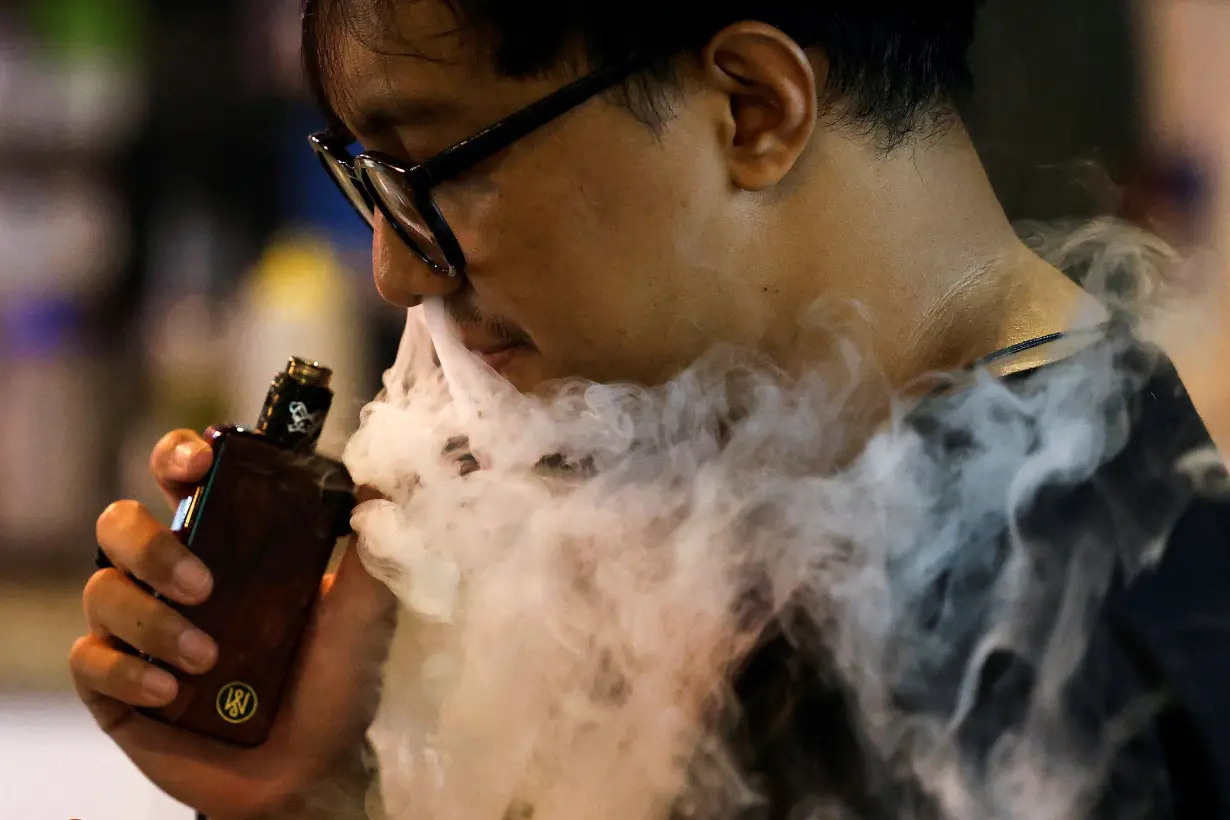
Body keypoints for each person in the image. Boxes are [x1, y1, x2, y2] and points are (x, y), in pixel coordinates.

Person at [69, 0, 1229, 818]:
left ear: (751, 106)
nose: (398, 274)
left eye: (428, 168)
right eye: (364, 178)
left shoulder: (1001, 653)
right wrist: (305, 799)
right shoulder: (972, 494)